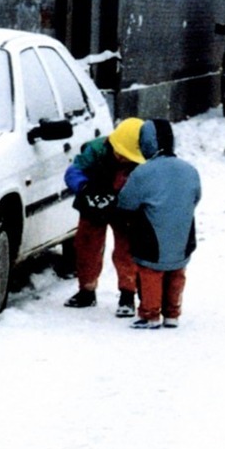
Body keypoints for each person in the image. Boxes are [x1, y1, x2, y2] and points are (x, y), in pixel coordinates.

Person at [116, 119, 202, 329]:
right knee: (176, 270)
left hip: (151, 235)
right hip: (183, 232)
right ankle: (172, 314)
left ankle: (150, 314)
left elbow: (126, 202)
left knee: (151, 272)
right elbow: (196, 197)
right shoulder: (189, 170)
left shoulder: (143, 173)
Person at [63, 117, 146, 316]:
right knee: (86, 246)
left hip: (125, 208)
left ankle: (128, 294)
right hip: (93, 204)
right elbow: (73, 172)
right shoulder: (95, 150)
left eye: (129, 157)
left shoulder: (142, 159)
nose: (124, 159)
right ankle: (87, 290)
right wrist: (83, 187)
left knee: (127, 250)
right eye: (122, 154)